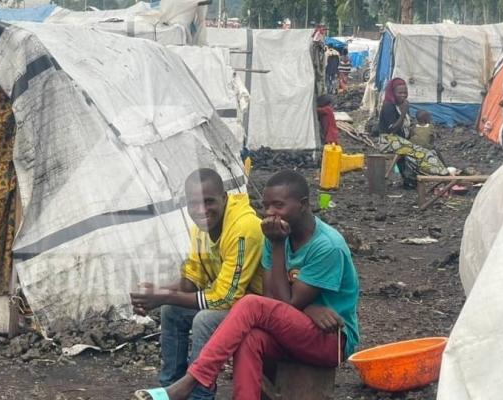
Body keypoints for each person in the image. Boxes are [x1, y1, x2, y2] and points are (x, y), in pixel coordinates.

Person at [134, 170, 360, 400]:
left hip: (331, 340)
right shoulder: (276, 234)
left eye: (278, 205)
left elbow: (280, 304)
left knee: (250, 304)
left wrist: (278, 246)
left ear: (303, 204)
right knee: (249, 338)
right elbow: (273, 299)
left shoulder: (325, 246)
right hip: (294, 328)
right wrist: (308, 307)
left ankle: (191, 382)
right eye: (266, 206)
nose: (270, 213)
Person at [130, 168, 264, 400]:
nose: (201, 210)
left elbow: (225, 297)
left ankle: (199, 396)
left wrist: (163, 295)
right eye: (194, 204)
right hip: (236, 305)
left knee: (205, 320)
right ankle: (169, 387)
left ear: (224, 198)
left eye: (209, 201)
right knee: (172, 311)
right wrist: (154, 294)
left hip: (258, 311)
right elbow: (194, 278)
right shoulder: (200, 229)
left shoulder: (244, 229)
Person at [378, 78, 416, 188]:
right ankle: (409, 179)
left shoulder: (403, 104)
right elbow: (392, 129)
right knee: (415, 152)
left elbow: (407, 125)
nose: (403, 95)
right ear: (393, 93)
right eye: (400, 93)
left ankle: (411, 179)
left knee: (422, 146)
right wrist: (403, 113)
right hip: (387, 140)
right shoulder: (388, 106)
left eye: (405, 92)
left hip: (400, 140)